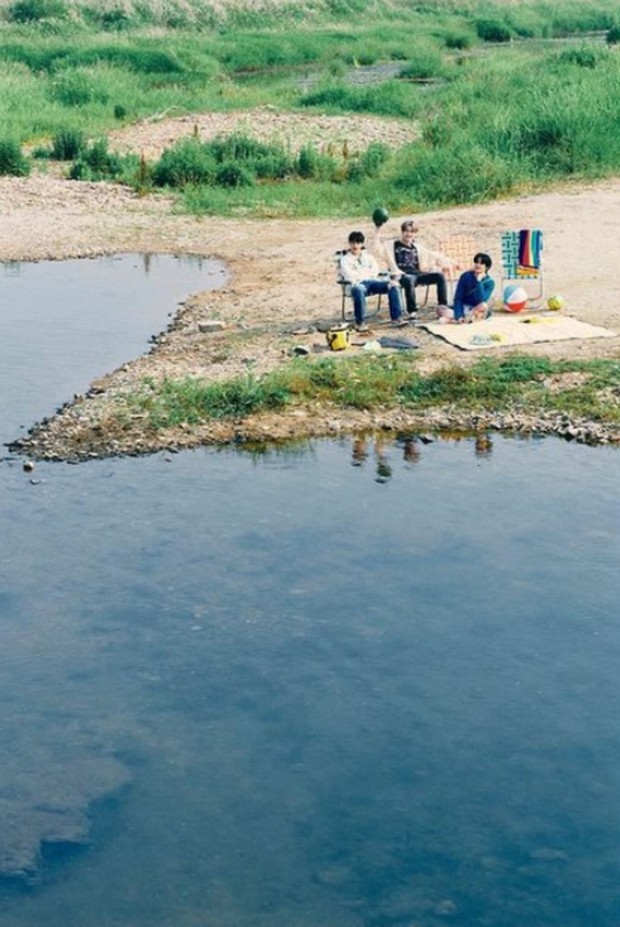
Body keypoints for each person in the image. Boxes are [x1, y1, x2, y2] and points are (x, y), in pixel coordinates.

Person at [339, 230, 403, 332]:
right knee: (359, 289)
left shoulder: (368, 256)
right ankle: (360, 322)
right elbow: (348, 275)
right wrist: (365, 274)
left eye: (358, 243)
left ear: (362, 244)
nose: (355, 246)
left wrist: (363, 274)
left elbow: (375, 270)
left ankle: (396, 318)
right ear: (349, 243)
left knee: (393, 285)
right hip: (357, 284)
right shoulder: (345, 259)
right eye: (353, 243)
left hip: (373, 282)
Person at [391, 219, 454, 319]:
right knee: (409, 279)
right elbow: (377, 248)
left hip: (418, 274)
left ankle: (443, 306)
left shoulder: (416, 247)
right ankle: (412, 311)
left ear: (414, 234)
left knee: (440, 276)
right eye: (406, 231)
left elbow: (433, 254)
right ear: (402, 232)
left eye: (412, 232)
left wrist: (449, 261)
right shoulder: (394, 245)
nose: (409, 234)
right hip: (403, 275)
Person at [449, 252, 495, 323]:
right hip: (463, 307)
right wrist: (459, 315)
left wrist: (479, 281)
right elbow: (458, 297)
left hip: (476, 309)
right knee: (440, 309)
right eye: (476, 262)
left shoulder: (490, 282)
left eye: (481, 263)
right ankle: (464, 318)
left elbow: (481, 300)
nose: (478, 265)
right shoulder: (466, 276)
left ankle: (467, 317)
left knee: (484, 305)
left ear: (487, 267)